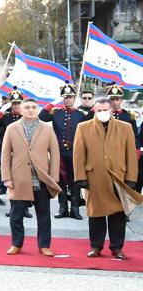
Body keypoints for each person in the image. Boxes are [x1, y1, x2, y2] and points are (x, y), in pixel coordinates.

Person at [73, 96, 141, 259]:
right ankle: (96, 247)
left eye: (105, 110)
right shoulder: (83, 127)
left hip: (119, 177)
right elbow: (78, 154)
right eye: (99, 110)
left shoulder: (125, 127)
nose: (102, 113)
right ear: (94, 111)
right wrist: (80, 176)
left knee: (118, 215)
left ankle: (116, 247)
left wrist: (131, 178)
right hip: (94, 177)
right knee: (96, 214)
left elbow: (131, 154)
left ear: (111, 110)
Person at [0, 97, 60, 257]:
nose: (31, 110)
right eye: (27, 107)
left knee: (44, 215)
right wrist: (6, 177)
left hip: (41, 178)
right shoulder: (12, 128)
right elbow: (5, 154)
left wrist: (53, 177)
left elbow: (54, 154)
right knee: (16, 215)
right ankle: (16, 244)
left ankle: (44, 245)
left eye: (34, 107)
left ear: (38, 109)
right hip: (18, 178)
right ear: (21, 109)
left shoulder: (47, 129)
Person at [41, 84, 86, 219]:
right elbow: (42, 117)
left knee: (75, 181)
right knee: (60, 181)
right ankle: (63, 208)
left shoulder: (80, 115)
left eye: (70, 97)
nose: (67, 100)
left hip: (74, 153)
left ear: (74, 98)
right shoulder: (56, 113)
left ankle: (75, 209)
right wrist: (50, 104)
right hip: (59, 153)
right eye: (65, 97)